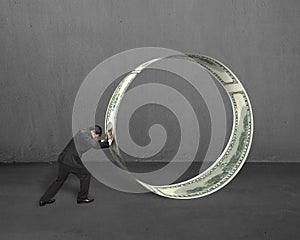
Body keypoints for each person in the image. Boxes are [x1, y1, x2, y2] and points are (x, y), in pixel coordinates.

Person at [39, 125, 113, 206]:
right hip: (70, 161)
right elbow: (95, 145)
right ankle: (82, 198)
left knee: (59, 180)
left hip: (63, 159)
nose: (95, 138)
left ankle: (44, 200)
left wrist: (104, 141)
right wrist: (109, 142)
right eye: (96, 136)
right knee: (86, 174)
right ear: (93, 132)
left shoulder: (85, 133)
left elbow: (94, 143)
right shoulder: (83, 134)